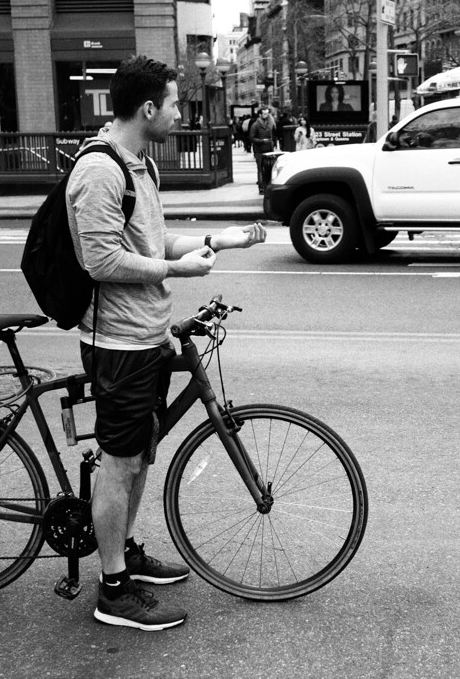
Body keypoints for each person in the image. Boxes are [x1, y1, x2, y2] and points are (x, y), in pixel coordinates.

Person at [66, 55, 267, 630]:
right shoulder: (100, 172)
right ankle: (112, 591)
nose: (181, 113)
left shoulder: (140, 166)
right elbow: (100, 259)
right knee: (119, 462)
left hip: (148, 334)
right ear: (149, 108)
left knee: (140, 455)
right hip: (119, 343)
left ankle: (125, 552)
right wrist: (177, 273)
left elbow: (152, 242)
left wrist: (214, 240)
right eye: (175, 103)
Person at [249, 105, 275, 193]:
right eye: (264, 114)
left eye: (267, 114)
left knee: (268, 169)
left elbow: (273, 133)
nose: (266, 115)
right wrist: (262, 141)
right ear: (260, 114)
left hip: (269, 149)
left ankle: (267, 186)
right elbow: (252, 138)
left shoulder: (269, 123)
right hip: (259, 150)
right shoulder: (255, 125)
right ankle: (261, 188)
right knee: (260, 169)